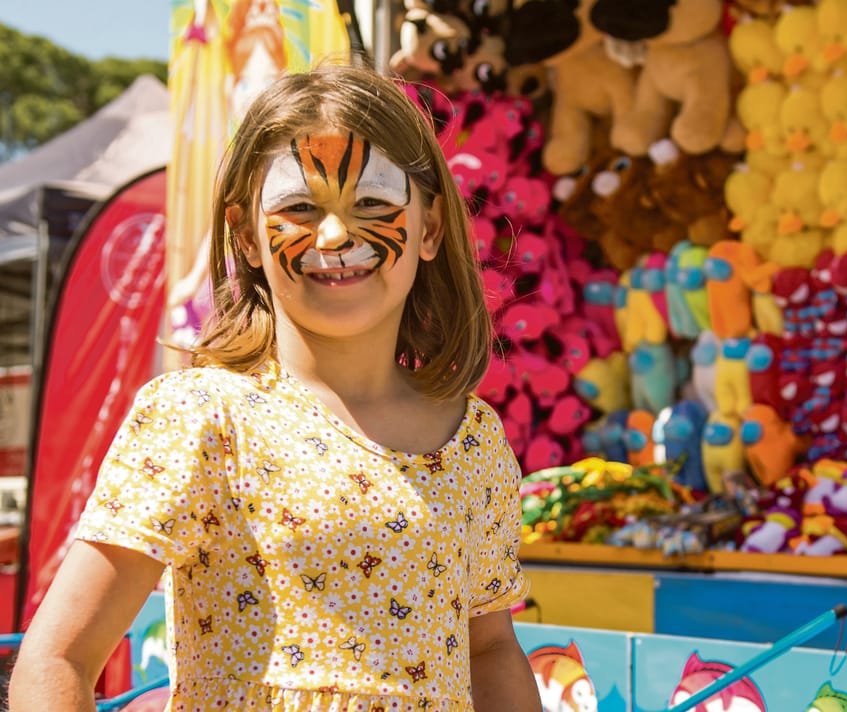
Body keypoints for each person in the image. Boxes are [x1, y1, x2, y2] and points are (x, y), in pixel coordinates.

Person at [9, 58, 542, 712]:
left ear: (429, 229)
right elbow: (57, 658)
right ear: (247, 236)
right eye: (299, 207)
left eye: (372, 202)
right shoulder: (202, 418)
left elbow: (488, 649)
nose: (337, 234)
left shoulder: (474, 443)